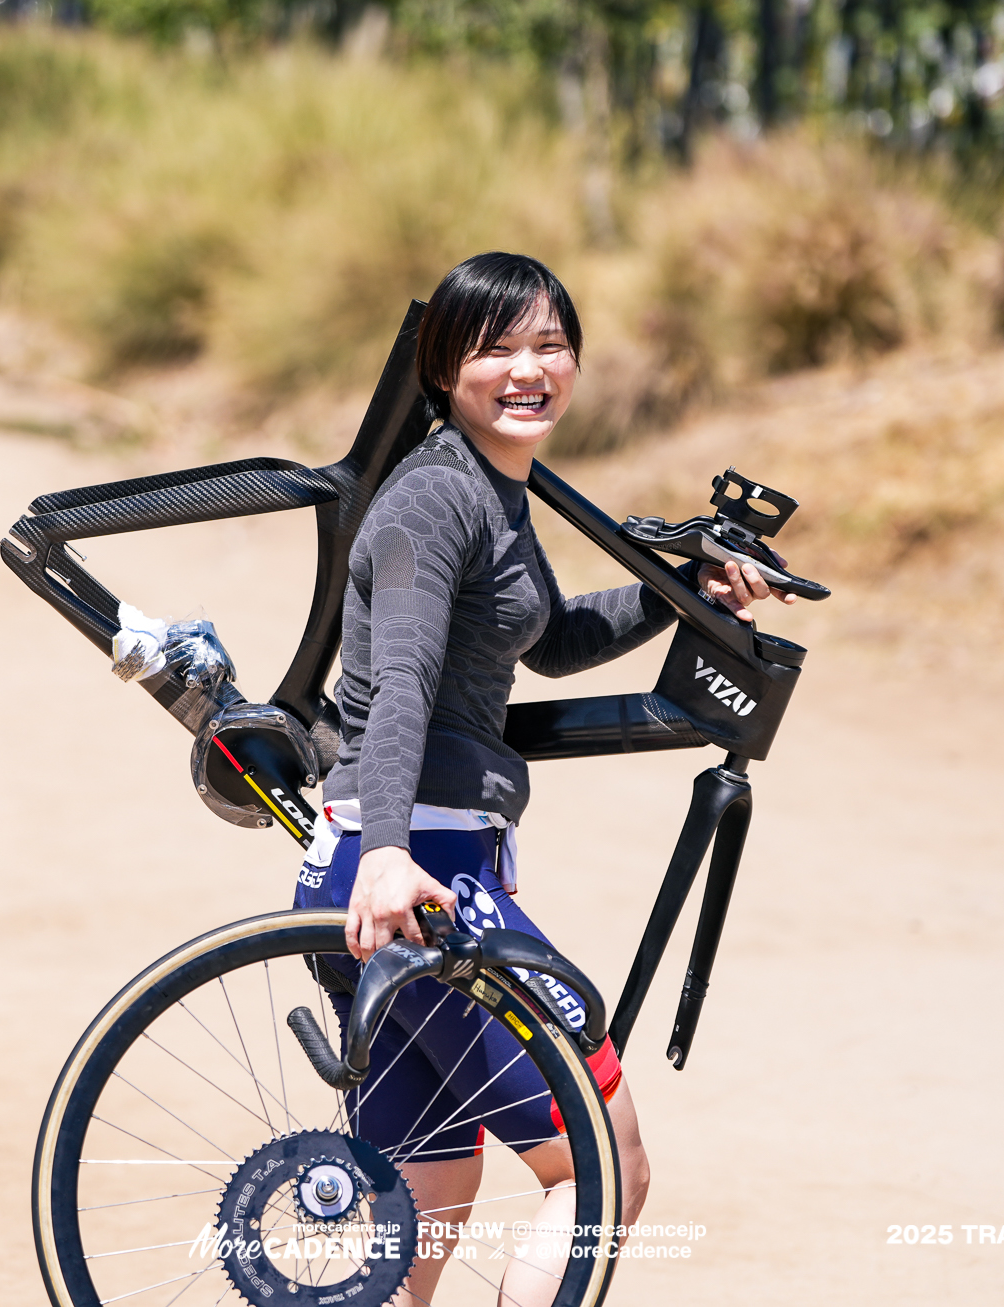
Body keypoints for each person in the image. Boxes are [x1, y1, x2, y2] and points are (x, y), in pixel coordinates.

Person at [291, 251, 786, 1302]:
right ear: (442, 369)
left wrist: (682, 592)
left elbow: (548, 639)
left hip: (390, 869)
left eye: (551, 345)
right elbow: (400, 683)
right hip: (415, 871)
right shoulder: (434, 501)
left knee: (426, 1198)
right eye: (497, 348)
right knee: (606, 1165)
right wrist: (389, 853)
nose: (529, 369)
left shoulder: (490, 491)